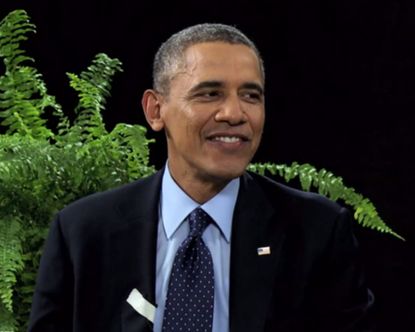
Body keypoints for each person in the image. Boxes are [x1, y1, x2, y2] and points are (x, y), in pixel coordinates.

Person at [28, 23, 374, 332]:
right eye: (210, 93)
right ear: (155, 110)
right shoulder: (83, 231)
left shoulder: (316, 231)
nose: (235, 114)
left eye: (251, 96)